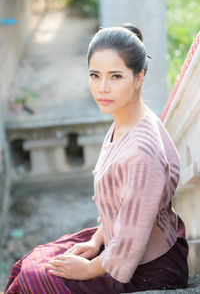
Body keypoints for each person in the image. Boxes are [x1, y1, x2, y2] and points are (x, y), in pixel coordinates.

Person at [5, 23, 189, 294]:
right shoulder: (127, 119)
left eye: (116, 77)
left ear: (139, 77)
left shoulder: (141, 151)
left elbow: (133, 238)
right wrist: (95, 242)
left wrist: (90, 268)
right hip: (121, 240)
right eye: (95, 75)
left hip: (148, 267)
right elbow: (124, 209)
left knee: (34, 281)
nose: (102, 88)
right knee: (30, 265)